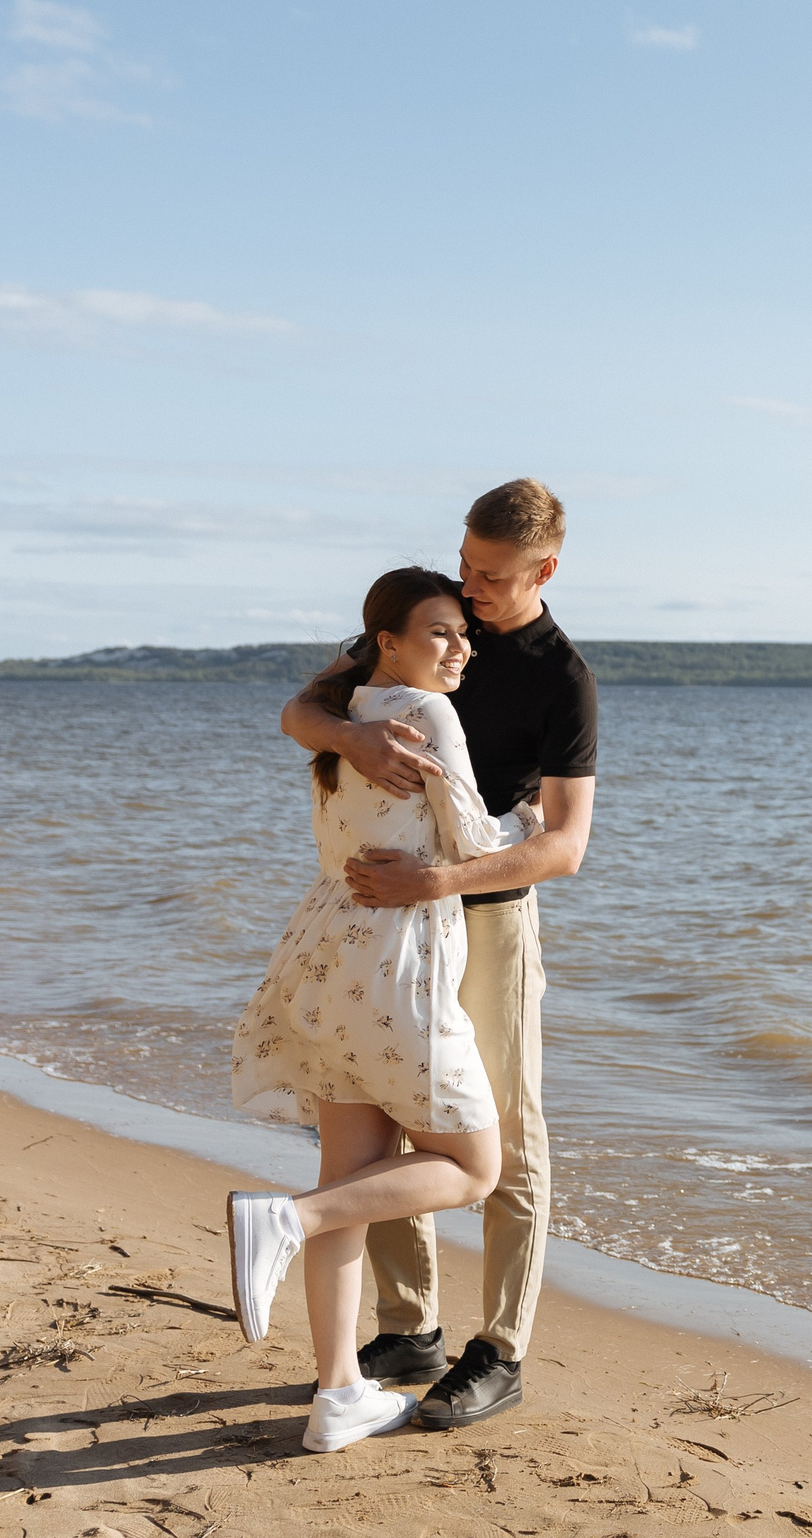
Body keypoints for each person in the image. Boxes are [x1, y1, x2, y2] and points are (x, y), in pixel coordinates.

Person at [279, 477, 597, 1430]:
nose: (472, 588)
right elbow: (298, 711)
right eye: (465, 563)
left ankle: (499, 1348)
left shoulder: (562, 678)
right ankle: (408, 1325)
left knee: (506, 1129)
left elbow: (565, 845)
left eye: (492, 575)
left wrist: (440, 881)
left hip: (485, 920)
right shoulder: (429, 620)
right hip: (396, 925)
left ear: (544, 570)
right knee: (392, 1107)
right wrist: (353, 736)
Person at [226, 566, 537, 1453]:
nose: (460, 647)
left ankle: (338, 1395)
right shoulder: (427, 712)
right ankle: (285, 1219)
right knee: (474, 1166)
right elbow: (471, 835)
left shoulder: (343, 715)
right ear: (389, 642)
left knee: (349, 1182)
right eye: (441, 631)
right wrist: (527, 819)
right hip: (398, 961)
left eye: (463, 633)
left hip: (324, 952)